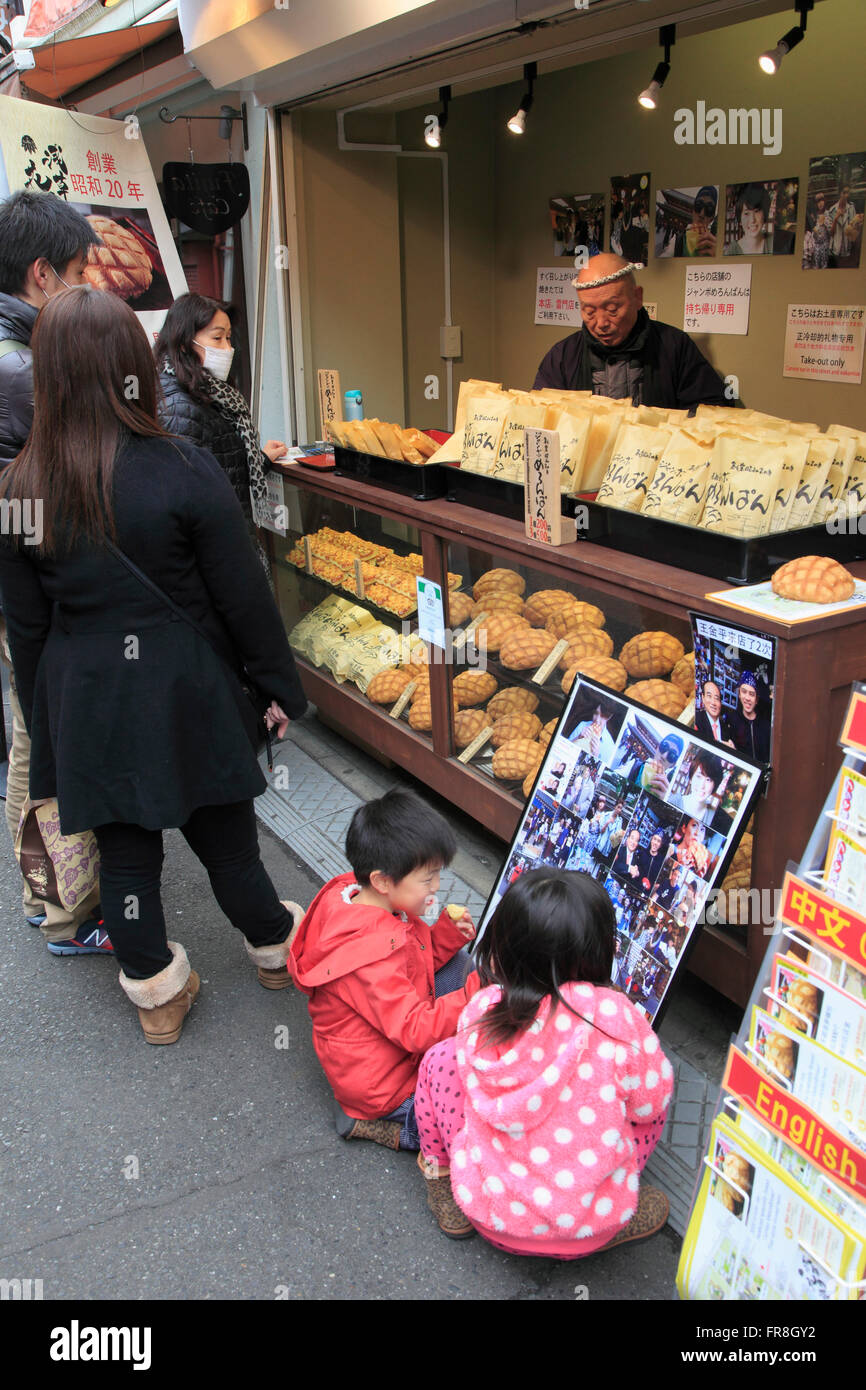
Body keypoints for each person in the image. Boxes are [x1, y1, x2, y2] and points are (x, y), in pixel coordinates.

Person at [0, 288, 308, 1040]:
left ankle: (156, 993)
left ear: (49, 375)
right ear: (130, 367)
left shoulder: (17, 491)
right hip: (188, 687)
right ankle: (274, 947)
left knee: (126, 856)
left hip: (89, 695)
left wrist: (47, 725)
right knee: (229, 844)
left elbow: (27, 627)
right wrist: (277, 689)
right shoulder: (183, 466)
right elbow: (244, 598)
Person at [413, 868, 673, 1249]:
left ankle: (439, 1177)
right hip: (590, 1230)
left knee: (439, 1058)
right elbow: (649, 1106)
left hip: (489, 1214)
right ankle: (614, 1200)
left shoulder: (485, 1007)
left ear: (503, 947)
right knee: (657, 1088)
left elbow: (466, 1079)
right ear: (602, 949)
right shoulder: (618, 1015)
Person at [0, 191, 108, 954]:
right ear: (41, 274)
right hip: (29, 584)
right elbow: (23, 498)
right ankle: (70, 910)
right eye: (75, 272)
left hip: (17, 581)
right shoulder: (20, 364)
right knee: (48, 736)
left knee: (30, 733)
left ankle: (46, 895)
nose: (82, 287)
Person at [288, 789, 478, 1155]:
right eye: (428, 879)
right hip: (384, 1086)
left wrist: (443, 938)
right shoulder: (369, 954)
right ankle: (382, 1125)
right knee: (466, 1133)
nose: (437, 887)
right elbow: (414, 1030)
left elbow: (409, 961)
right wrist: (474, 997)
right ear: (383, 881)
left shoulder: (358, 897)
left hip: (383, 1040)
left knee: (461, 963)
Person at [155, 294, 288, 577]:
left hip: (227, 549)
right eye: (217, 339)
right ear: (183, 343)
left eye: (229, 338)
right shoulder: (179, 406)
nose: (227, 348)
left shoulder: (212, 393)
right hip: (213, 561)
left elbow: (221, 469)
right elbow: (185, 503)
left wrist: (260, 458)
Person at [533, 253, 727, 408]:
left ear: (637, 297)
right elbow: (542, 419)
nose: (601, 323)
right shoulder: (563, 356)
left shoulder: (674, 346)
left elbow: (711, 413)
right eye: (589, 311)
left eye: (612, 309)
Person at [669, 749, 727, 826]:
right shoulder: (673, 801)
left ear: (715, 785)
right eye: (699, 777)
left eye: (708, 780)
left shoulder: (713, 817)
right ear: (691, 778)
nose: (702, 786)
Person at [729, 670, 771, 764]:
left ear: (756, 700)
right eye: (744, 692)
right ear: (739, 695)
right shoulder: (732, 721)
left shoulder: (766, 726)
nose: (747, 698)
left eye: (751, 694)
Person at [725, 183, 772, 256]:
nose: (752, 220)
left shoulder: (772, 242)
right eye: (746, 213)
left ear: (764, 214)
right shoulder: (732, 251)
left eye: (756, 211)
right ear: (739, 219)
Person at [568, 698, 618, 763]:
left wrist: (595, 756)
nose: (597, 719)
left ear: (609, 717)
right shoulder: (582, 725)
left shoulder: (610, 746)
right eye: (596, 713)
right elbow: (564, 746)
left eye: (602, 716)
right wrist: (577, 738)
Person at [827, 185, 862, 269]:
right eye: (844, 193)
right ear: (840, 193)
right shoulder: (832, 210)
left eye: (848, 193)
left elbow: (854, 228)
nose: (846, 195)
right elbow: (830, 233)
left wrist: (858, 221)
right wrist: (836, 217)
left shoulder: (851, 208)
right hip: (835, 250)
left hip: (847, 250)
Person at [694, 680, 735, 747]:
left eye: (716, 698)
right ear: (703, 698)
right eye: (709, 696)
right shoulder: (696, 720)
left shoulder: (727, 730)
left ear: (720, 703)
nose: (713, 702)